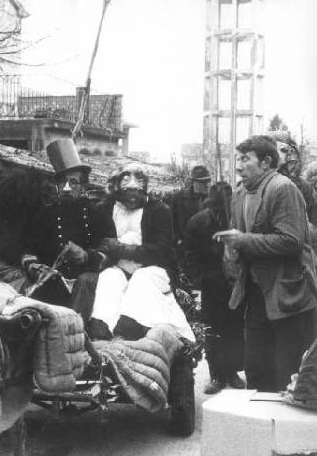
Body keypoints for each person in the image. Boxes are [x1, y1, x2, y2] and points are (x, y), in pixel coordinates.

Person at [218, 135, 317, 392]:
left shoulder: (282, 188)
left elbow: (291, 240)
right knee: (256, 368)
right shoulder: (239, 193)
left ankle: (286, 430)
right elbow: (239, 237)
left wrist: (242, 241)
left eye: (245, 159)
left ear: (266, 163)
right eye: (237, 159)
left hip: (288, 295)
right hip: (255, 293)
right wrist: (232, 251)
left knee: (287, 371)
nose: (238, 166)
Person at [0, 138, 114, 311]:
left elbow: (110, 253)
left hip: (88, 280)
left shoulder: (98, 214)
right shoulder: (45, 214)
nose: (67, 188)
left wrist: (86, 256)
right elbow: (29, 249)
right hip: (55, 281)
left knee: (85, 282)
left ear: (83, 186)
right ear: (56, 185)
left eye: (73, 182)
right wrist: (33, 265)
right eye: (62, 182)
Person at [87, 163, 195, 343]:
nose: (132, 198)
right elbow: (100, 243)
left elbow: (161, 250)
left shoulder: (159, 211)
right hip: (117, 267)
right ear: (117, 190)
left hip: (153, 267)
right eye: (127, 192)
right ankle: (102, 332)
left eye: (137, 192)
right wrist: (105, 253)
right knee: (108, 280)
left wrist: (121, 248)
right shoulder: (105, 209)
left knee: (141, 282)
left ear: (144, 191)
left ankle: (131, 331)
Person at [184, 182, 245, 394]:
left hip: (235, 284)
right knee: (213, 329)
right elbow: (189, 255)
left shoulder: (237, 220)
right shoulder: (199, 222)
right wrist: (200, 280)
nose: (223, 211)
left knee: (235, 328)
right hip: (212, 285)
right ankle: (216, 375)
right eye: (219, 207)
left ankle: (232, 372)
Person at [171, 165, 212, 245]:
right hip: (184, 247)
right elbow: (172, 223)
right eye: (203, 182)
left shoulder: (212, 199)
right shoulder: (178, 198)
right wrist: (177, 240)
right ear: (194, 182)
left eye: (208, 181)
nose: (207, 185)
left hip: (206, 248)